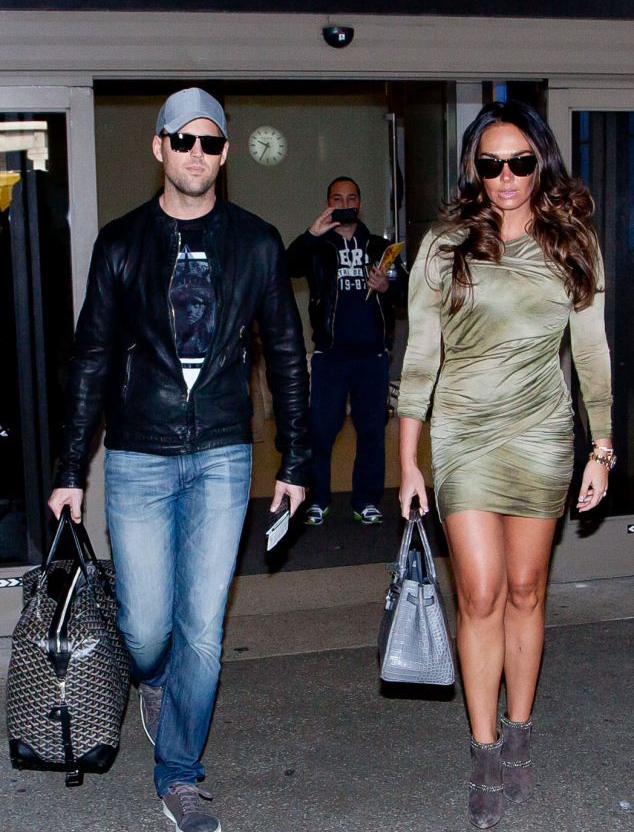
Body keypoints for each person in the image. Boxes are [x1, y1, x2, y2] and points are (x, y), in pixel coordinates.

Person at [48, 87, 310, 832]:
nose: (198, 153)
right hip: (139, 454)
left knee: (202, 629)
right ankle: (155, 680)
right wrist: (70, 468)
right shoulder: (121, 243)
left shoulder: (256, 242)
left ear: (224, 155)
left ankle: (180, 774)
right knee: (144, 632)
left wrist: (296, 457)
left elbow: (286, 353)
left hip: (224, 454)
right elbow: (92, 358)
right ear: (159, 147)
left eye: (211, 142)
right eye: (184, 140)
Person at [398, 101, 613, 829]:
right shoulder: (445, 245)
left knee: (526, 588)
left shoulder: (573, 243)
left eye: (520, 161)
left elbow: (591, 352)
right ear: (475, 170)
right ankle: (485, 747)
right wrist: (409, 459)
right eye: (491, 164)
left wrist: (602, 448)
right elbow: (420, 357)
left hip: (542, 436)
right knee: (481, 591)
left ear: (541, 162)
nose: (507, 177)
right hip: (464, 436)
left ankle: (520, 729)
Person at [287, 176, 406, 526]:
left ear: (360, 203)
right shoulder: (318, 247)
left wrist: (386, 287)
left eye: (351, 198)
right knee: (321, 430)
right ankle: (317, 499)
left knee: (372, 430)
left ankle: (366, 500)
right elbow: (287, 266)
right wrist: (311, 234)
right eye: (337, 199)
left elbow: (406, 290)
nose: (345, 204)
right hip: (330, 354)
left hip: (373, 355)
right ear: (329, 204)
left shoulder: (380, 247)